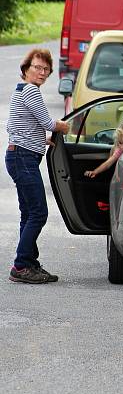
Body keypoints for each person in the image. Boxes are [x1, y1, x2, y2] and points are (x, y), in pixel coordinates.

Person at [6, 48, 69, 284]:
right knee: (39, 213)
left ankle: (29, 262)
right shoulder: (31, 90)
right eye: (37, 67)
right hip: (23, 158)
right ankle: (21, 266)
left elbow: (15, 125)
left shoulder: (20, 90)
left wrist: (40, 138)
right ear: (26, 68)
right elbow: (48, 122)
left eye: (46, 69)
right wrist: (64, 127)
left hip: (19, 156)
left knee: (28, 213)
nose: (42, 72)